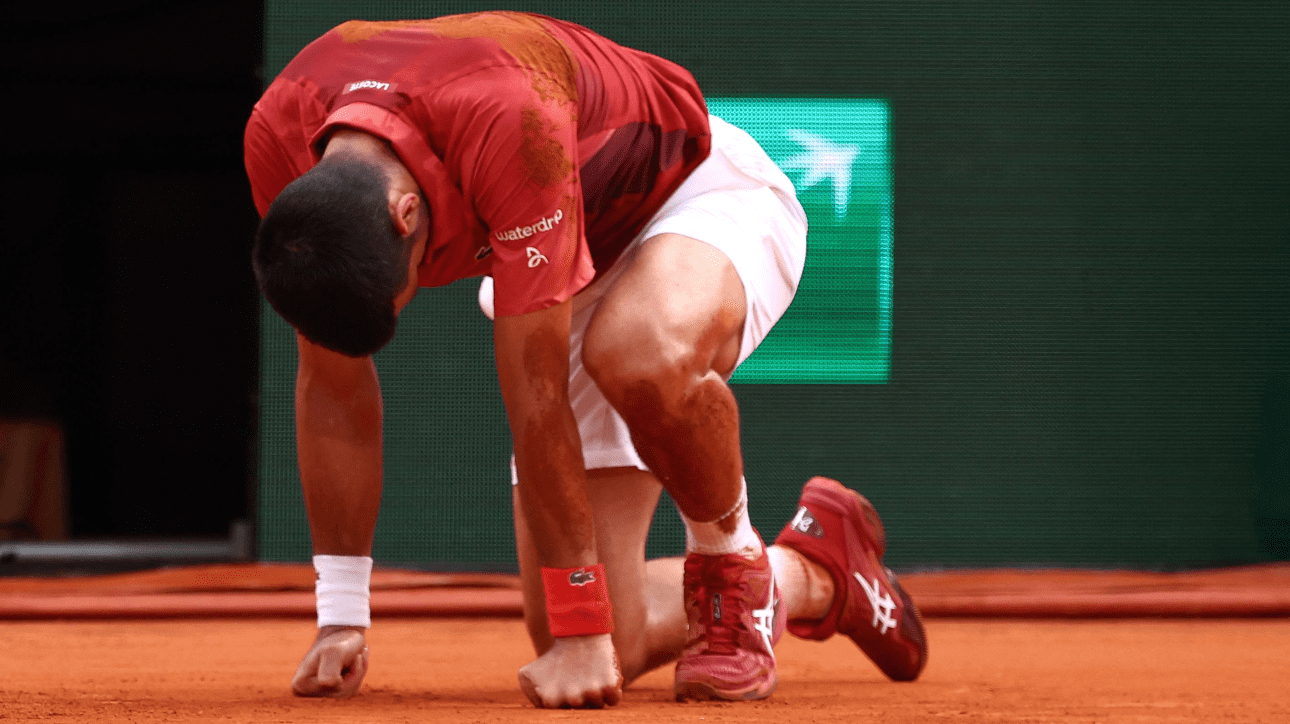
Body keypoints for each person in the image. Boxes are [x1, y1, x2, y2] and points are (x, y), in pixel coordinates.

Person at [245, 11, 926, 708]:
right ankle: (816, 570)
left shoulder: (512, 120)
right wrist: (340, 616)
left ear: (406, 214)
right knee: (613, 638)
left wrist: (581, 632)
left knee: (638, 352)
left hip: (691, 198)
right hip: (570, 251)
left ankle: (730, 565)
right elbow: (332, 388)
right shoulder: (280, 139)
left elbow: (537, 402)